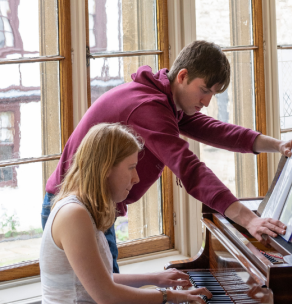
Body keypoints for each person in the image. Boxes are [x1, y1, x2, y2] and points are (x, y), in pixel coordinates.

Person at [42, 40, 292, 271]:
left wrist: (278, 145)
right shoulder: (149, 108)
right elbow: (189, 169)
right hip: (76, 209)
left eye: (213, 94)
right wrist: (250, 220)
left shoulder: (164, 100)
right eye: (204, 90)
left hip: (92, 204)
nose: (207, 102)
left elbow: (216, 130)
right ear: (182, 76)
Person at [40, 122, 211, 303]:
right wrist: (171, 295)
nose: (136, 178)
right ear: (105, 168)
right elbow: (107, 295)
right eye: (131, 167)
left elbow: (99, 279)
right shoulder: (73, 215)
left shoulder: (83, 210)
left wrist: (154, 278)